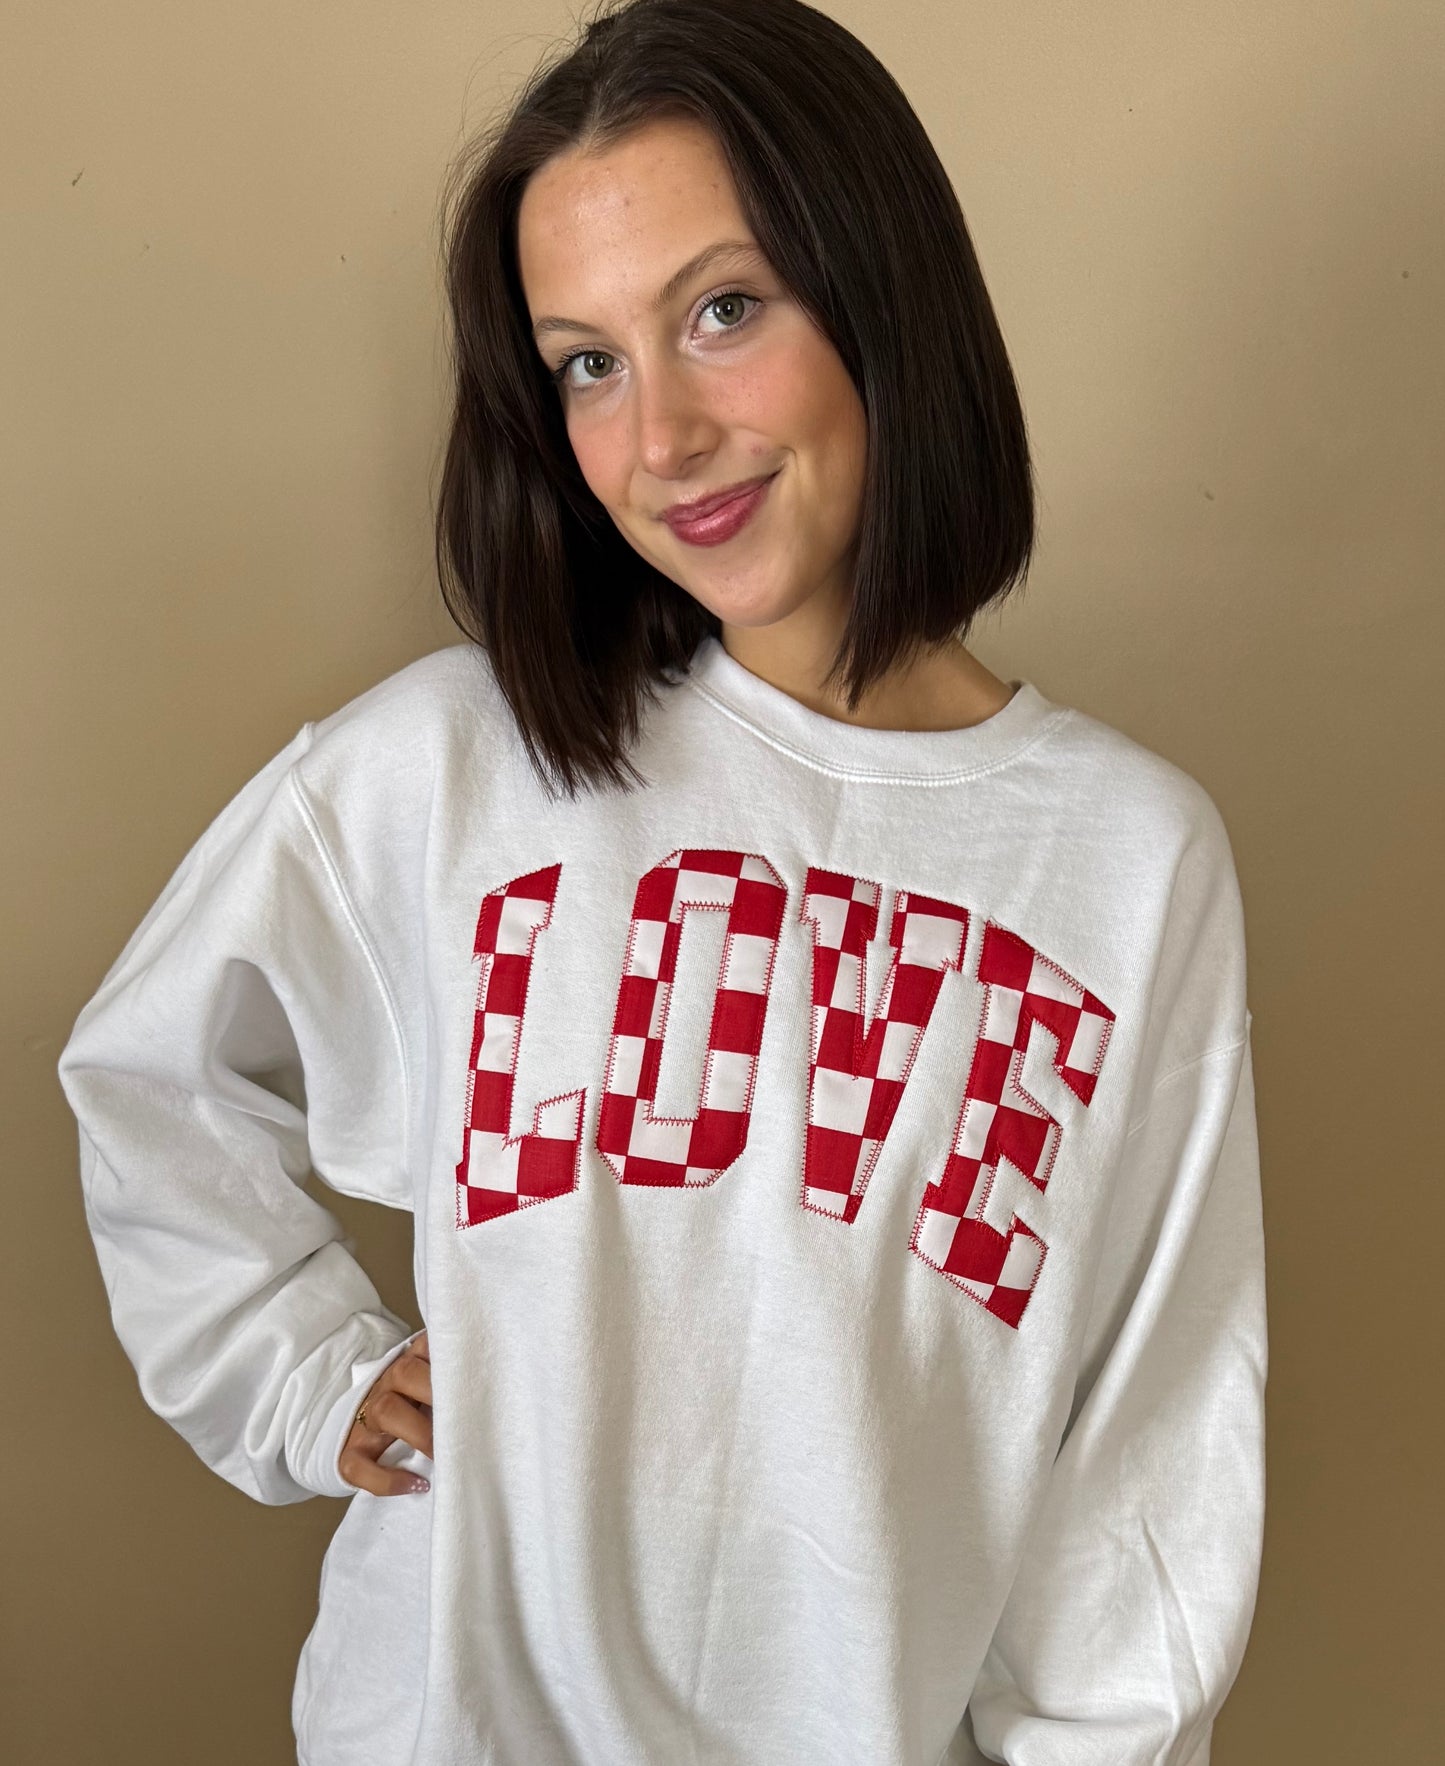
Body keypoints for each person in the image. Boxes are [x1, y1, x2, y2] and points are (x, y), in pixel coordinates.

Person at [56, 2, 1267, 1762]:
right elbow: (151, 1072)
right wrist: (301, 1363)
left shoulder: (1131, 861)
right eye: (586, 364)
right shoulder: (458, 764)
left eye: (722, 310)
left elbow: (1145, 1446)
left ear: (881, 291)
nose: (663, 436)